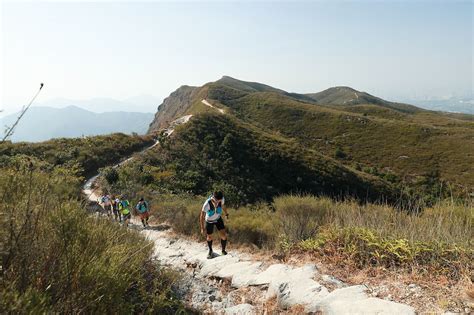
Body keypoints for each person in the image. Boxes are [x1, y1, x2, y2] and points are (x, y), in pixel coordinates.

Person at [200, 191, 229, 259]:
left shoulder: (221, 199)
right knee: (209, 237)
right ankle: (210, 251)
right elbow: (202, 216)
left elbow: (223, 206)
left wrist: (226, 214)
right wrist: (202, 228)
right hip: (209, 221)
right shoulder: (207, 204)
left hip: (218, 219)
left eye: (219, 200)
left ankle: (223, 251)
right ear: (214, 198)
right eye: (217, 200)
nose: (218, 202)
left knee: (224, 236)